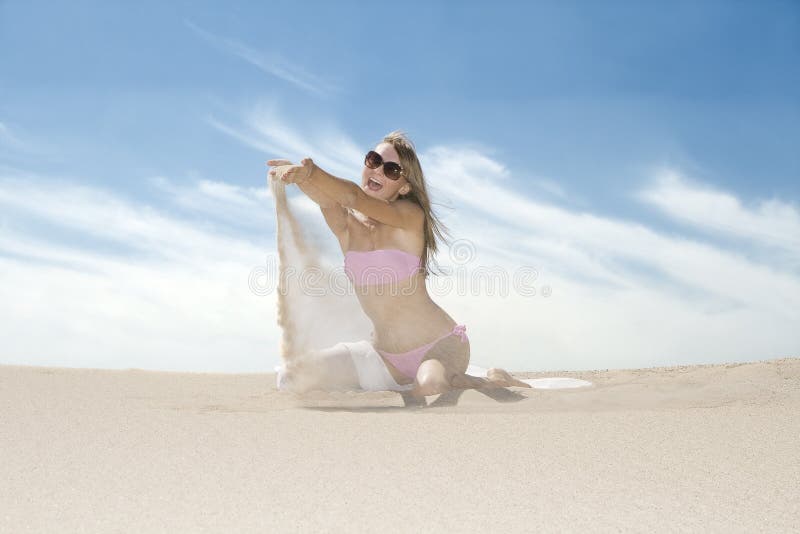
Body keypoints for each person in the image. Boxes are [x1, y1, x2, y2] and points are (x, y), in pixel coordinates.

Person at [267, 130, 530, 402]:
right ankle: (421, 383)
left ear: (404, 186)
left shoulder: (410, 218)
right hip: (383, 356)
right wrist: (294, 175)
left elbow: (353, 197)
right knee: (291, 377)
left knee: (429, 386)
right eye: (373, 161)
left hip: (438, 346)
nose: (379, 171)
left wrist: (312, 173)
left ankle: (492, 380)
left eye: (391, 170)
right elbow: (327, 199)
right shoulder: (347, 228)